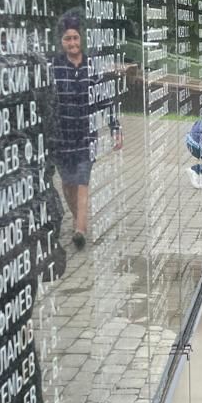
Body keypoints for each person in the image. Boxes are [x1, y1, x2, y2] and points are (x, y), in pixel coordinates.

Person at [50, 14, 121, 249]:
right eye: (67, 39)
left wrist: (115, 128)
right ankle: (78, 219)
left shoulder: (92, 67)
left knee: (82, 180)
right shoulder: (55, 67)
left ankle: (80, 229)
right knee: (68, 183)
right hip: (61, 136)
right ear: (61, 41)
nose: (72, 43)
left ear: (81, 39)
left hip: (85, 135)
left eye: (75, 38)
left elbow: (104, 100)